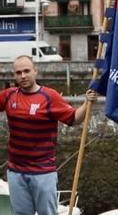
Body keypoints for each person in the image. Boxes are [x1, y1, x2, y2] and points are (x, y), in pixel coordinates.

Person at [0, 55, 97, 215]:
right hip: (16, 172)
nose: (23, 76)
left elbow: (73, 119)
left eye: (26, 71)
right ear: (14, 75)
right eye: (18, 73)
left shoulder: (49, 96)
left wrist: (87, 103)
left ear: (35, 71)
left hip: (43, 172)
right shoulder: (9, 96)